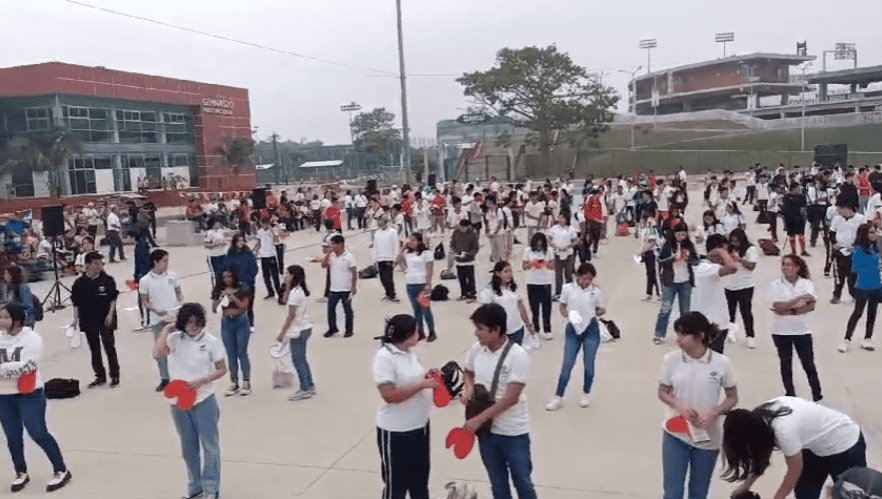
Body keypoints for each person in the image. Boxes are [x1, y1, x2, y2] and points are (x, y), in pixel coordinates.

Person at [658, 311, 738, 499]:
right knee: (672, 493)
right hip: (676, 431)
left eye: (683, 334)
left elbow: (732, 397)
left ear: (700, 336)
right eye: (677, 334)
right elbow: (662, 391)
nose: (678, 340)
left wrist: (715, 411)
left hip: (707, 437)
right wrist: (680, 405)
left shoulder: (722, 364)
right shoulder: (671, 360)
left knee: (698, 493)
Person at [722, 397, 866, 499]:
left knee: (849, 494)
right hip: (814, 446)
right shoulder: (759, 421)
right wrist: (745, 486)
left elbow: (794, 470)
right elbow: (763, 459)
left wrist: (778, 497)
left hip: (845, 444)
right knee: (805, 493)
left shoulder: (783, 430)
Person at [462, 303, 536, 499]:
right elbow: (468, 372)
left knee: (523, 483)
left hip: (513, 433)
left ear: (496, 330)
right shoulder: (477, 350)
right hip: (487, 433)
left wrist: (478, 419)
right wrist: (469, 388)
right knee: (498, 485)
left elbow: (511, 398)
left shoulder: (517, 356)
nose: (476, 334)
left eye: (480, 329)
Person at [155, 303, 227, 499]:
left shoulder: (211, 341)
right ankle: (195, 488)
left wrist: (202, 380)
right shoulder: (174, 339)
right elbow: (158, 353)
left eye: (196, 322)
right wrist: (166, 329)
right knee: (188, 447)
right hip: (179, 402)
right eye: (188, 322)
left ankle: (211, 488)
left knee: (210, 445)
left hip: (204, 399)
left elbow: (222, 369)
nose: (193, 326)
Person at [0, 303, 72, 493]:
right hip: (3, 395)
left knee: (37, 432)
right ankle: (20, 471)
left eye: (5, 317)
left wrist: (4, 370)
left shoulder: (31, 338)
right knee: (12, 435)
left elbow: (28, 366)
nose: (1, 321)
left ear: (16, 319)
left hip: (29, 393)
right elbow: (18, 366)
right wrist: (11, 369)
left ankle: (61, 469)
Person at [372, 314, 435, 499]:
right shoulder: (385, 358)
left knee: (420, 483)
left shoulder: (409, 353)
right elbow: (390, 395)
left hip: (420, 427)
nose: (419, 333)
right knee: (397, 485)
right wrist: (421, 385)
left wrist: (426, 377)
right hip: (396, 432)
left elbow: (411, 379)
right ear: (407, 335)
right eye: (416, 331)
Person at [545, 262, 604, 412]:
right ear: (578, 276)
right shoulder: (567, 289)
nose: (586, 282)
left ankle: (586, 392)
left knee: (589, 363)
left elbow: (597, 308)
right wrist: (565, 314)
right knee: (567, 363)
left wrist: (600, 311)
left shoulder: (596, 292)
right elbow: (562, 305)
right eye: (584, 278)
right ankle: (558, 396)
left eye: (589, 279)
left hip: (590, 329)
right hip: (573, 329)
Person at [768, 254, 823, 401]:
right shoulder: (775, 285)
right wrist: (798, 299)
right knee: (786, 364)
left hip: (802, 331)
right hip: (781, 332)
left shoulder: (806, 283)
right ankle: (790, 394)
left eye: (789, 265)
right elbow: (779, 307)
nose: (785, 268)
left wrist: (790, 310)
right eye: (784, 264)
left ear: (797, 268)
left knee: (808, 364)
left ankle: (817, 394)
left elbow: (811, 306)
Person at [69, 251, 120, 388]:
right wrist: (75, 319)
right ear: (87, 265)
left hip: (105, 318)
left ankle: (114, 375)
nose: (99, 266)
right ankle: (100, 376)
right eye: (95, 263)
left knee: (109, 346)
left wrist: (110, 314)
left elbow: (112, 299)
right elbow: (76, 302)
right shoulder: (79, 283)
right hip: (88, 319)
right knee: (94, 348)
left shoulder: (107, 280)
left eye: (100, 263)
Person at [139, 249, 184, 392]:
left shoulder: (173, 276)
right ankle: (165, 378)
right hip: (157, 319)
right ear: (155, 262)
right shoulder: (145, 280)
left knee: (180, 348)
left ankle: (182, 377)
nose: (167, 263)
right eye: (164, 260)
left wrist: (181, 305)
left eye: (167, 260)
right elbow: (144, 301)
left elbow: (178, 292)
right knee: (161, 351)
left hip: (174, 318)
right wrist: (155, 309)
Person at [691, 234, 738, 354]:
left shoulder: (700, 267)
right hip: (713, 324)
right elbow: (732, 268)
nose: (729, 256)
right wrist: (721, 251)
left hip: (704, 323)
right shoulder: (707, 269)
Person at [653, 223, 699, 345]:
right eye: (679, 234)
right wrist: (673, 258)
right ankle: (659, 333)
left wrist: (688, 259)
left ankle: (685, 335)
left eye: (683, 234)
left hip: (685, 282)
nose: (681, 237)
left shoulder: (689, 245)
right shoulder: (668, 245)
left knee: (685, 311)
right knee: (666, 308)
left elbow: (697, 261)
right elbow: (660, 260)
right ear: (674, 234)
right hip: (670, 282)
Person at [276, 265, 316, 401]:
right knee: (302, 358)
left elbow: (290, 316)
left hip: (298, 329)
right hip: (305, 327)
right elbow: (283, 301)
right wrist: (287, 286)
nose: (285, 276)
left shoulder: (295, 294)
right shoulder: (296, 290)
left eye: (287, 274)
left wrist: (282, 333)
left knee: (297, 360)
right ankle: (309, 384)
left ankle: (304, 388)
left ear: (293, 276)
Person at [211, 267, 252, 397]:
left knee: (242, 352)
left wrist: (233, 298)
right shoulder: (218, 289)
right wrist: (219, 298)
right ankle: (234, 381)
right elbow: (214, 309)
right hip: (227, 323)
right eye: (224, 277)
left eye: (229, 276)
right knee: (231, 353)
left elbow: (244, 307)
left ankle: (246, 381)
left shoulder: (242, 287)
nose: (227, 279)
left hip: (240, 321)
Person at [839, 224, 879, 353]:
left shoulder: (876, 248)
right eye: (871, 233)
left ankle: (867, 338)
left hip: (877, 286)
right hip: (863, 286)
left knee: (872, 313)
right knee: (858, 312)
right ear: (865, 234)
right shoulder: (858, 251)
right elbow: (856, 270)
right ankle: (847, 339)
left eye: (875, 232)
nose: (875, 235)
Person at [479, 261, 535, 346]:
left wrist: (528, 324)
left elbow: (520, 306)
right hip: (500, 332)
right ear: (498, 273)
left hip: (517, 329)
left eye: (510, 271)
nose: (509, 274)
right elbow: (485, 312)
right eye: (505, 271)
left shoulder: (514, 288)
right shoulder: (489, 291)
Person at [397, 233, 437, 342]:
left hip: (422, 284)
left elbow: (430, 269)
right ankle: (420, 331)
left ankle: (432, 331)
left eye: (413, 240)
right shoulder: (408, 253)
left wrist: (428, 284)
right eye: (410, 240)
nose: (411, 242)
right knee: (416, 310)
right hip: (410, 284)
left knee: (425, 309)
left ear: (419, 241)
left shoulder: (426, 253)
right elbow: (398, 261)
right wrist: (402, 249)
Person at [725, 228, 759, 349]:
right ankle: (730, 332)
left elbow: (752, 266)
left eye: (736, 241)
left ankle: (750, 336)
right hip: (729, 284)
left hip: (745, 285)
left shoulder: (751, 249)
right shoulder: (728, 249)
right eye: (732, 241)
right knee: (730, 311)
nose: (734, 243)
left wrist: (739, 259)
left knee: (746, 312)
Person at [830, 200, 867, 304]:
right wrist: (834, 243)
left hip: (854, 250)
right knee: (839, 275)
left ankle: (854, 294)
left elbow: (863, 234)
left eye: (839, 209)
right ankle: (836, 295)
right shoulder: (837, 219)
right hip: (840, 250)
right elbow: (832, 233)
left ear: (847, 209)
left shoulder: (860, 219)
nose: (837, 211)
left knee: (852, 275)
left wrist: (855, 246)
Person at [322, 234, 357, 338]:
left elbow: (354, 272)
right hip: (334, 288)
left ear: (340, 244)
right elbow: (323, 265)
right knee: (330, 309)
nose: (332, 246)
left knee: (348, 310)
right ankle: (332, 328)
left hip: (346, 288)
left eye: (333, 244)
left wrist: (353, 287)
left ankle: (349, 330)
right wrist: (328, 254)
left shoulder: (349, 256)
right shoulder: (331, 256)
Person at [522, 232, 555, 340]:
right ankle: (536, 328)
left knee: (547, 308)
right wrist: (533, 263)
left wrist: (544, 263)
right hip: (532, 282)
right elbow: (524, 266)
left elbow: (552, 266)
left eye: (541, 243)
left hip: (545, 282)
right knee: (534, 308)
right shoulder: (528, 251)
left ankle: (547, 329)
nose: (539, 245)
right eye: (537, 243)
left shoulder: (549, 251)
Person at [223, 232, 258, 330]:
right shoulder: (230, 254)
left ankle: (251, 323)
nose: (241, 242)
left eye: (242, 240)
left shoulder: (248, 253)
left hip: (248, 283)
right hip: (235, 284)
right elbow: (226, 268)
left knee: (249, 305)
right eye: (239, 240)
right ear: (235, 242)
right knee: (235, 305)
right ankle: (238, 324)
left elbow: (254, 268)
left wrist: (248, 279)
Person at [548, 212, 579, 299]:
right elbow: (549, 239)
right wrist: (553, 245)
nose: (561, 220)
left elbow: (576, 240)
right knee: (558, 274)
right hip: (557, 253)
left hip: (568, 253)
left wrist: (570, 246)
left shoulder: (570, 229)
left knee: (568, 273)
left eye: (563, 218)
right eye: (560, 217)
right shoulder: (554, 228)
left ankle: (569, 292)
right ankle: (558, 292)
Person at [253, 218, 283, 303]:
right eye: (263, 224)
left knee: (275, 275)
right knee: (266, 276)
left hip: (271, 255)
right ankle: (270, 291)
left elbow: (277, 240)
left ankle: (279, 292)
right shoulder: (260, 232)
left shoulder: (272, 231)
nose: (265, 225)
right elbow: (259, 242)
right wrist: (256, 252)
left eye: (266, 224)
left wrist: (272, 231)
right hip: (263, 256)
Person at [372, 217, 400, 303]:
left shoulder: (392, 232)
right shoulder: (377, 233)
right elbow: (375, 246)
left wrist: (395, 258)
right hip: (380, 258)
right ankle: (387, 293)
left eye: (381, 222)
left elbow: (396, 245)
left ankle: (393, 294)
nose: (379, 224)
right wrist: (374, 258)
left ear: (385, 222)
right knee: (382, 278)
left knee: (388, 278)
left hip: (389, 258)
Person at [451, 219, 479, 301]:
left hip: (469, 260)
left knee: (470, 277)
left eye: (464, 227)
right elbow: (452, 243)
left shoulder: (473, 234)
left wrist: (467, 254)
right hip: (459, 259)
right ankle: (463, 293)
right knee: (461, 277)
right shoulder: (456, 232)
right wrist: (454, 252)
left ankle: (472, 293)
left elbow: (475, 248)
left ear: (468, 226)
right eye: (461, 227)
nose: (462, 229)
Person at [204, 217, 228, 285]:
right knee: (216, 273)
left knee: (224, 271)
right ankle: (216, 289)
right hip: (213, 255)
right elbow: (206, 245)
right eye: (217, 222)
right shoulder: (209, 233)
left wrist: (224, 243)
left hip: (222, 254)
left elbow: (224, 240)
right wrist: (216, 244)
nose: (219, 224)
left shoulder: (220, 231)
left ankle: (223, 287)